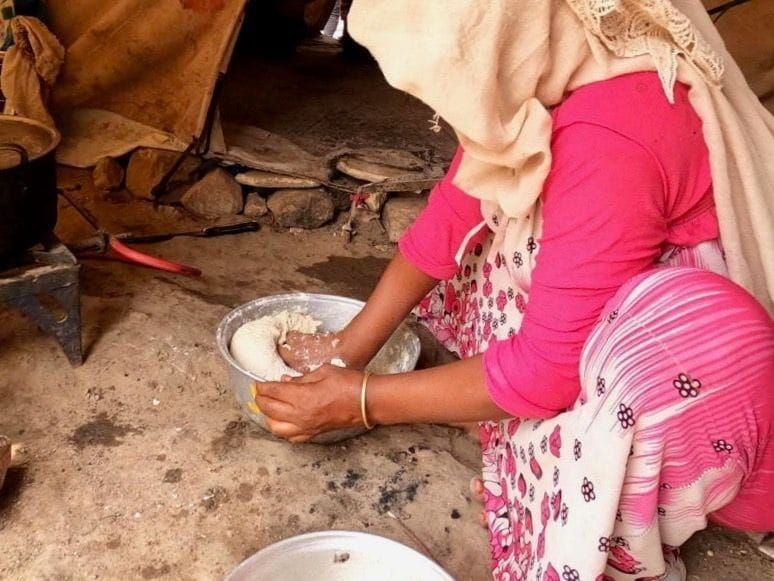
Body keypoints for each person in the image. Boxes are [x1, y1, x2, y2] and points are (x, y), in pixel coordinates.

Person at [254, 0, 774, 579]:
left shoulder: (614, 134)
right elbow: (453, 214)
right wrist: (347, 348)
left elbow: (547, 371)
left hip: (719, 430)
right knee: (495, 213)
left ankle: (601, 511)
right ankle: (525, 431)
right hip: (601, 325)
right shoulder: (559, 69)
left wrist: (364, 401)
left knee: (684, 335)